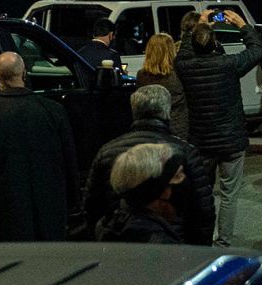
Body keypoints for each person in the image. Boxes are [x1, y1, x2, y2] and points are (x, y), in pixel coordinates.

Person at [0, 52, 78, 242]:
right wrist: (72, 203)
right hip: (49, 211)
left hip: (2, 217)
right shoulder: (54, 112)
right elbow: (69, 161)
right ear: (24, 74)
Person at [84, 84, 215, 246]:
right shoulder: (184, 153)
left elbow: (92, 206)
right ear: (167, 112)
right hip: (175, 246)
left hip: (119, 244)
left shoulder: (107, 151)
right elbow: (203, 211)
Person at [177, 8, 262, 247]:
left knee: (202, 194)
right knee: (229, 195)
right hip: (231, 140)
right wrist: (242, 25)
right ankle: (223, 241)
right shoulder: (228, 64)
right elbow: (257, 50)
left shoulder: (185, 66)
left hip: (201, 141)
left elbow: (183, 53)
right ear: (215, 43)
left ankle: (201, 238)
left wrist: (197, 27)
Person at [95, 143, 188, 245]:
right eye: (177, 176)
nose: (185, 180)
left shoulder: (113, 221)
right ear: (155, 190)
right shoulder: (159, 244)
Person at [135, 32, 190, 140]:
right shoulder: (178, 74)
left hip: (151, 131)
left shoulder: (141, 76)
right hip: (178, 129)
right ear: (170, 51)